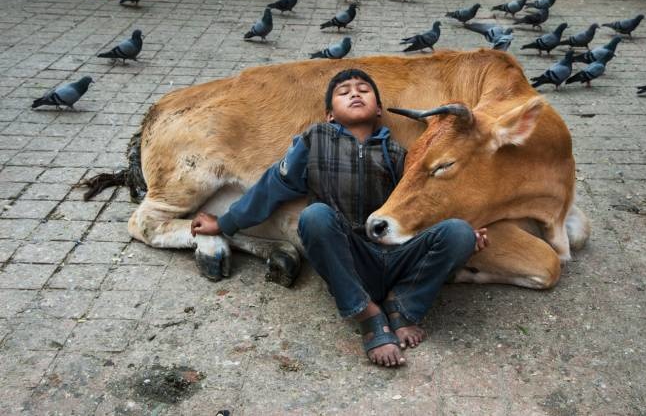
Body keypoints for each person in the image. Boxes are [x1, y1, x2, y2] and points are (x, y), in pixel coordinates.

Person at [191, 68, 488, 367]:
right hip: (349, 260)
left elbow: (418, 205)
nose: (355, 93)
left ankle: (402, 307)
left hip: (396, 256)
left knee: (459, 232)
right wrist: (224, 223)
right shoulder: (314, 140)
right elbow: (272, 186)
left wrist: (464, 237)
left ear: (379, 110)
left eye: (363, 90)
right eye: (344, 92)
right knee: (315, 216)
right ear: (330, 114)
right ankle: (367, 313)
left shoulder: (399, 154)